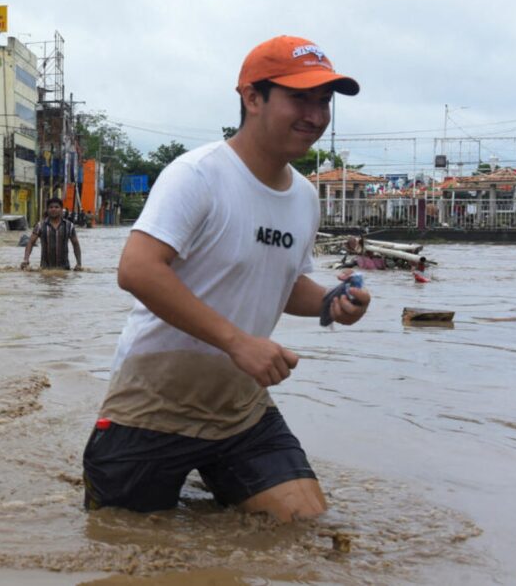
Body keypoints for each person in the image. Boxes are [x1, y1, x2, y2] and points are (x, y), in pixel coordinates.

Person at [83, 35, 372, 522]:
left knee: (304, 525)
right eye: (300, 98)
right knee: (127, 543)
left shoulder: (305, 197)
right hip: (152, 406)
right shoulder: (197, 175)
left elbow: (283, 282)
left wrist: (331, 302)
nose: (316, 116)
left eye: (324, 101)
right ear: (252, 97)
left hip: (241, 410)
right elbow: (137, 269)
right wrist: (238, 342)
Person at [21, 197, 82, 270]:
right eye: (51, 207)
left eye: (56, 207)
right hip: (45, 270)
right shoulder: (40, 226)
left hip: (64, 269)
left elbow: (75, 244)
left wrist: (79, 263)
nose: (53, 209)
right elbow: (31, 242)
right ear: (47, 210)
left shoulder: (69, 226)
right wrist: (26, 259)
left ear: (61, 209)